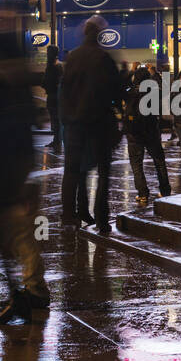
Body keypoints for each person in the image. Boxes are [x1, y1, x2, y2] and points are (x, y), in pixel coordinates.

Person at [0, 32, 50, 324]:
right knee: (17, 237)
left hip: (10, 171)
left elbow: (6, 131)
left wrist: (7, 179)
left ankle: (29, 294)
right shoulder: (15, 81)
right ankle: (27, 292)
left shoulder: (5, 82)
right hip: (14, 168)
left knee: (18, 235)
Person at [60, 16, 122, 232]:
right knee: (104, 171)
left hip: (76, 123)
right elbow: (115, 91)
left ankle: (69, 216)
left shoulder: (73, 58)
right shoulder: (103, 58)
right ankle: (101, 217)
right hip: (98, 122)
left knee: (73, 171)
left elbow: (65, 91)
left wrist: (67, 117)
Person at [124, 66, 171, 205]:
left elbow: (121, 88)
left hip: (134, 133)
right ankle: (165, 190)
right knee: (159, 161)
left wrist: (131, 71)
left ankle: (142, 193)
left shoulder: (131, 91)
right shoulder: (154, 91)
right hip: (151, 131)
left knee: (137, 164)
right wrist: (155, 74)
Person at [43, 44, 62, 148]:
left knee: (54, 118)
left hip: (53, 95)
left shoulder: (52, 66)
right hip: (54, 95)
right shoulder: (56, 65)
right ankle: (56, 139)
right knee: (55, 118)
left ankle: (56, 140)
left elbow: (49, 80)